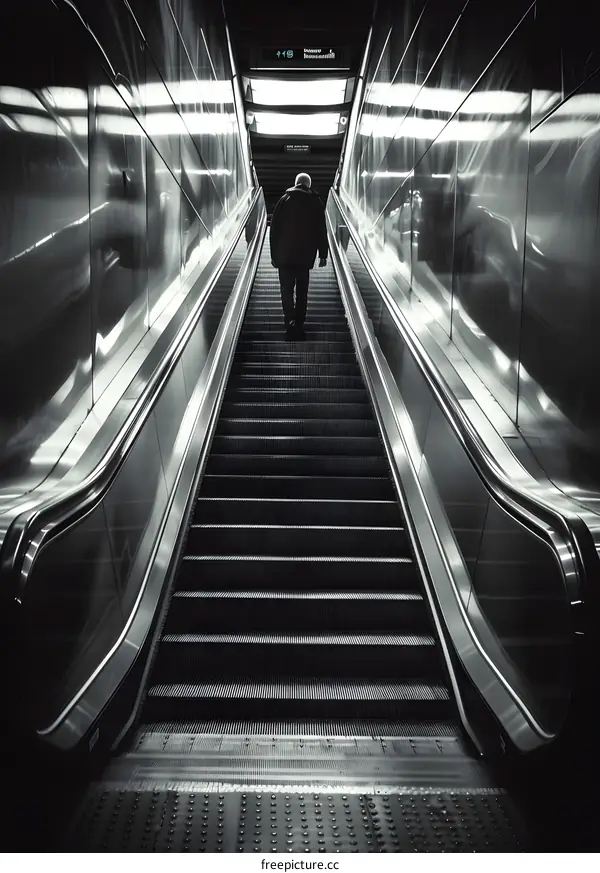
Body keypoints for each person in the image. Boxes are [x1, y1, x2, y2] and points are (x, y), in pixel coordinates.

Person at [269, 172, 328, 339]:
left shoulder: (284, 200)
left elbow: (274, 230)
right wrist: (323, 254)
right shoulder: (315, 201)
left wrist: (274, 255)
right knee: (302, 292)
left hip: (285, 257)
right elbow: (321, 230)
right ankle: (299, 324)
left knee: (286, 291)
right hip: (304, 258)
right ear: (308, 185)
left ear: (295, 183)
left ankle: (290, 322)